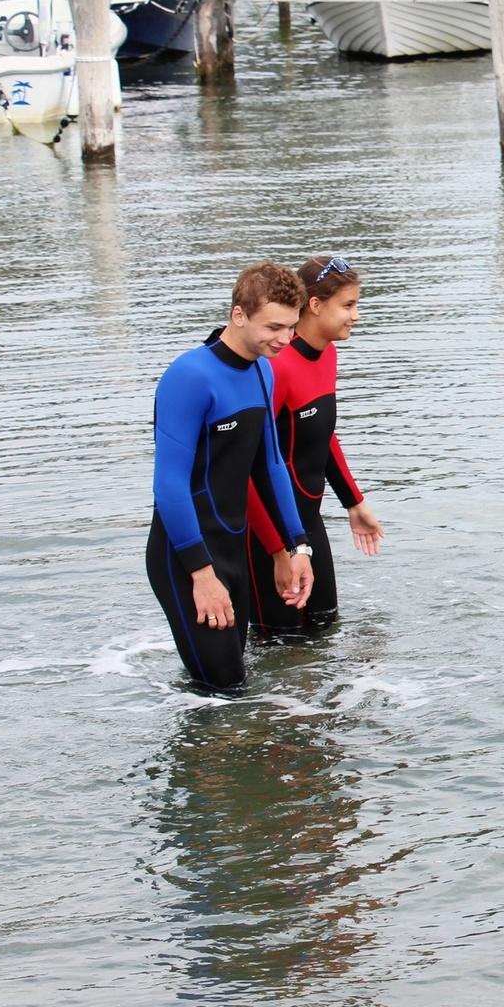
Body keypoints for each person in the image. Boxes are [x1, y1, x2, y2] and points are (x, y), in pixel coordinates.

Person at [149, 263, 315, 690]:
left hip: (232, 552)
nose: (284, 340)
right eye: (274, 327)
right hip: (185, 557)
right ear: (239, 315)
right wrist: (202, 576)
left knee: (228, 687)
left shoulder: (263, 368)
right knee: (221, 691)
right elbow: (168, 486)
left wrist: (298, 546)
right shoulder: (189, 376)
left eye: (292, 328)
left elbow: (271, 465)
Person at [245, 255, 384, 638]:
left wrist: (354, 503)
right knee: (280, 641)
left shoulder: (328, 356)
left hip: (308, 522)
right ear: (317, 305)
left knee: (325, 626)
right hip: (268, 530)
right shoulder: (276, 368)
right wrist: (278, 548)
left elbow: (323, 435)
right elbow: (251, 462)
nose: (356, 315)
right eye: (349, 305)